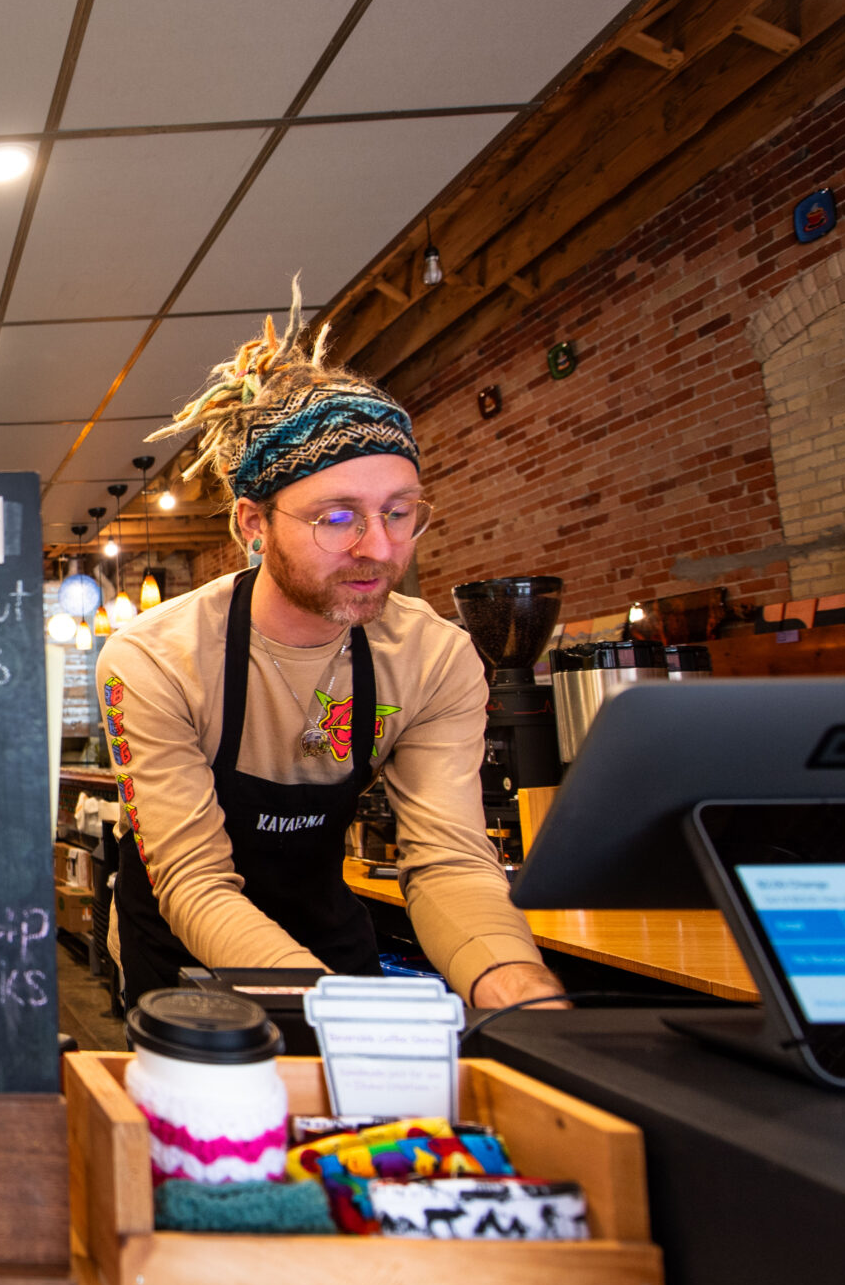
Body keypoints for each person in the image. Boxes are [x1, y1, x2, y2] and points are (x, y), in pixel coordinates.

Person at [96, 285, 563, 1014]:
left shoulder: (434, 657)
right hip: (188, 957)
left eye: (399, 513)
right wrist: (342, 1012)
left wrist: (515, 985)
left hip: (330, 941)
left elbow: (448, 863)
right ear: (254, 521)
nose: (378, 548)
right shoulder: (160, 657)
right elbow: (194, 880)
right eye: (336, 516)